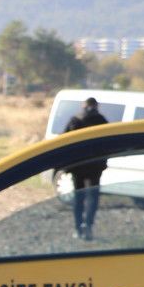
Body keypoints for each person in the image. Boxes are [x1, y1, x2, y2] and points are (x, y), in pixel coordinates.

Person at [64, 98, 108, 240]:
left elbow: (65, 141)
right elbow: (109, 145)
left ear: (84, 105)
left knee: (79, 197)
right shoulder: (102, 122)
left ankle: (78, 228)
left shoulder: (75, 120)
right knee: (93, 197)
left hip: (78, 166)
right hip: (95, 166)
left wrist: (66, 164)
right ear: (96, 106)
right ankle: (88, 225)